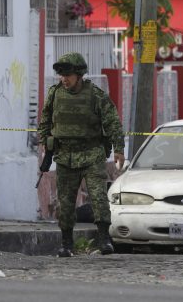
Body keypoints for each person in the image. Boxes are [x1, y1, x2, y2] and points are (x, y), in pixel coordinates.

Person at [37, 52, 125, 257]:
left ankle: (104, 240)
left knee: (98, 198)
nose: (64, 79)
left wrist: (119, 148)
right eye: (61, 75)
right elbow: (45, 119)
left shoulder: (95, 94)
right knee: (65, 203)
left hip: (91, 154)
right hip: (65, 155)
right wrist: (44, 141)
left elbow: (112, 121)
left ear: (79, 74)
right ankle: (66, 244)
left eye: (68, 75)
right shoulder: (55, 93)